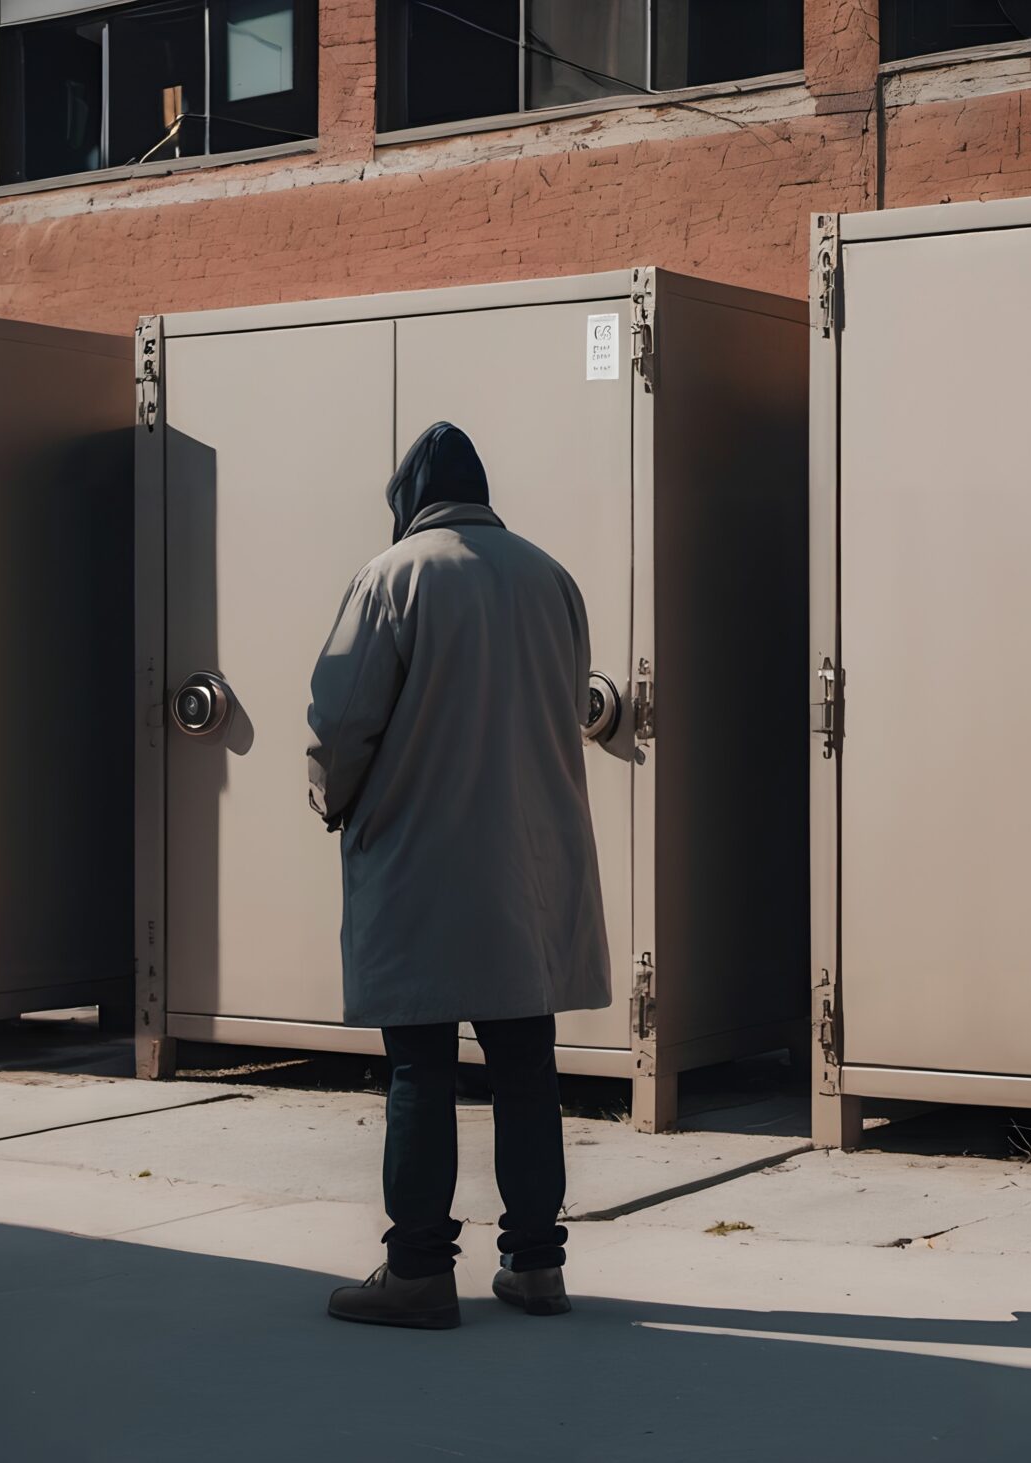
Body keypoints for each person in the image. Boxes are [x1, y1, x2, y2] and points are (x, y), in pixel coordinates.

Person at [305, 421, 612, 1330]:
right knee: (527, 1068)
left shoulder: (393, 577)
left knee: (420, 1067)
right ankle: (534, 1265)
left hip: (422, 864)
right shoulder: (550, 576)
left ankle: (417, 1271)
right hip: (530, 866)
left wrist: (332, 801)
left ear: (409, 498)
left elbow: (341, 720)